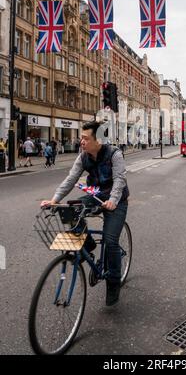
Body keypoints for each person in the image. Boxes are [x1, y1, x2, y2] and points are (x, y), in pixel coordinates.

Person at [41, 121, 129, 307]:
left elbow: (120, 180)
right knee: (71, 209)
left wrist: (113, 200)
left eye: (85, 138)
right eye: (81, 137)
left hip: (117, 199)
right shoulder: (83, 157)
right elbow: (71, 178)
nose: (81, 141)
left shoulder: (115, 154)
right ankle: (87, 244)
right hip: (96, 195)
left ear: (98, 140)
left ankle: (114, 281)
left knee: (111, 241)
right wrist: (55, 199)